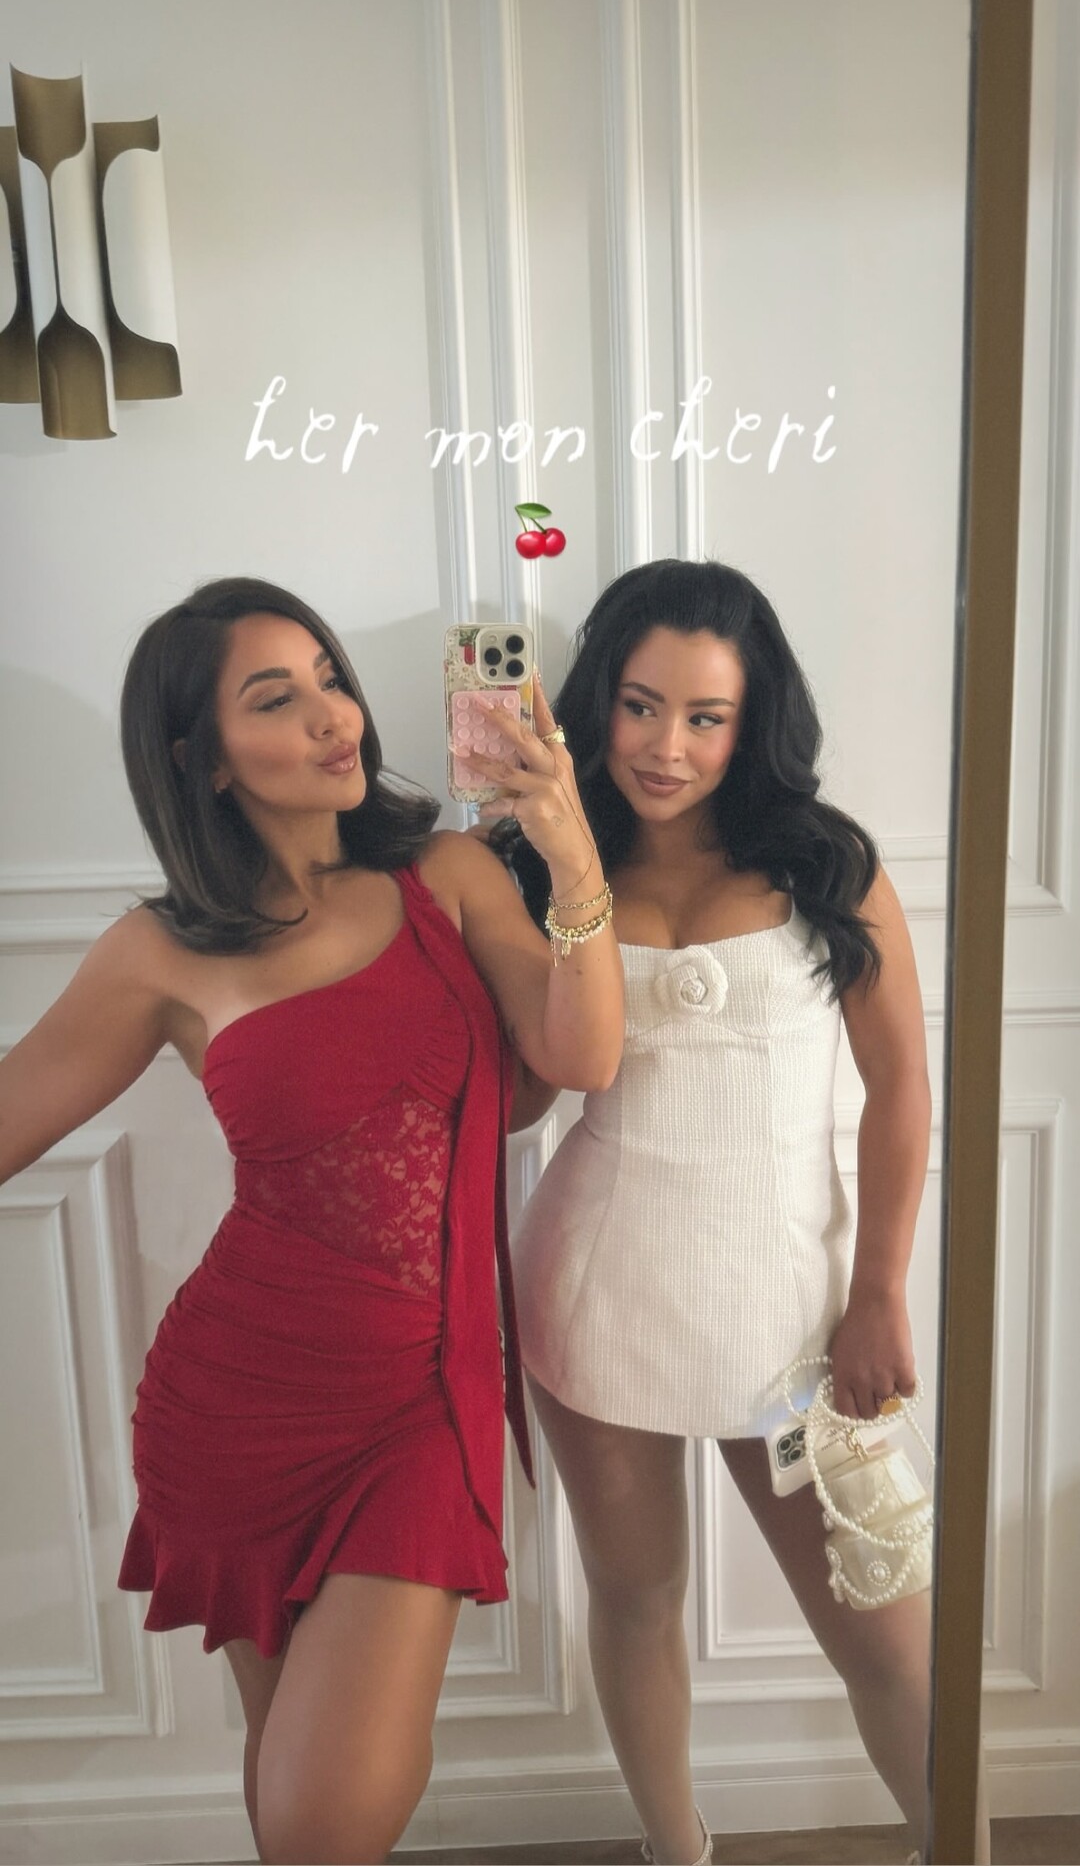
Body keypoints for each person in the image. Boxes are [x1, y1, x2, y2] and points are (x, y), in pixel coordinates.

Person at [0, 576, 622, 1866]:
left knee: (319, 1817)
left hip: (422, 1403)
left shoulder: (444, 875)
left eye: (331, 680)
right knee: (290, 1782)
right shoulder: (161, 951)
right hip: (236, 1402)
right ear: (201, 757)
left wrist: (568, 849)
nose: (337, 717)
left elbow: (581, 1054)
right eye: (278, 700)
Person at [496, 558, 988, 1866]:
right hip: (598, 1298)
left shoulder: (826, 862)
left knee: (888, 1634)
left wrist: (879, 1293)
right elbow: (521, 1104)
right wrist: (555, 862)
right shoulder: (538, 867)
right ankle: (678, 1853)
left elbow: (902, 1087)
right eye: (641, 706)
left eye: (705, 716)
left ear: (750, 718)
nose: (668, 746)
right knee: (637, 1597)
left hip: (794, 1332)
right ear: (598, 701)